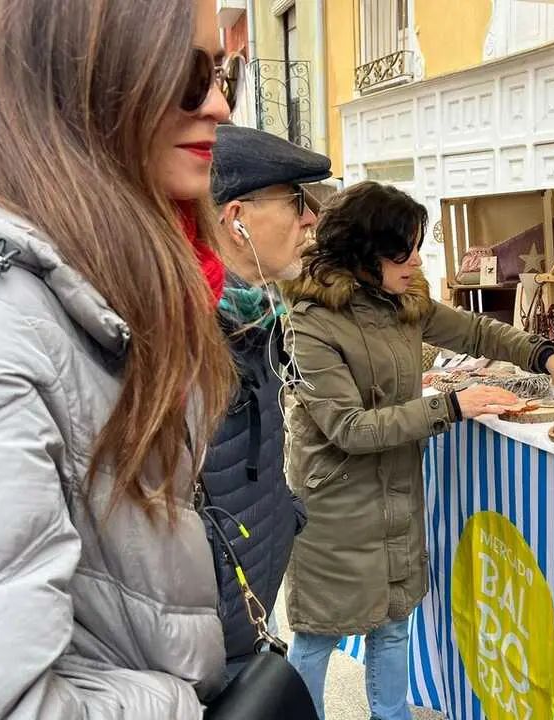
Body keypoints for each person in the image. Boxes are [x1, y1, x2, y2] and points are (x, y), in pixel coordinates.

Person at [0, 0, 238, 716]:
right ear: (77, 79)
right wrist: (182, 702)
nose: (222, 104)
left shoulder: (116, 287)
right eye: (188, 73)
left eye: (223, 70)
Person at [281, 181, 554, 720]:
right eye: (404, 250)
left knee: (394, 624)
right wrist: (450, 406)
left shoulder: (405, 300)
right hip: (334, 506)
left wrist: (543, 354)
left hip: (396, 491)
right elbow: (348, 428)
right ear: (362, 252)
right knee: (317, 637)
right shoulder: (312, 322)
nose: (418, 260)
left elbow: (475, 332)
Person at [204, 125, 331, 681]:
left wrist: (284, 515)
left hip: (246, 615)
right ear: (238, 219)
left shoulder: (253, 318)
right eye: (296, 201)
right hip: (206, 646)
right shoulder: (191, 331)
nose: (310, 219)